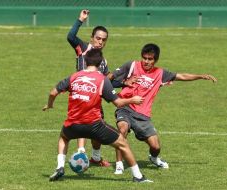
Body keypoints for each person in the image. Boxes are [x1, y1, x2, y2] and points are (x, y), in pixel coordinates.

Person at [43, 49, 152, 183]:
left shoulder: (74, 77)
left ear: (85, 61)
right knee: (123, 144)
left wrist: (49, 105)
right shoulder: (102, 80)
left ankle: (60, 167)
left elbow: (53, 92)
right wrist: (132, 100)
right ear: (101, 64)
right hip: (94, 125)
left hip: (72, 125)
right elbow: (118, 103)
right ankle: (138, 177)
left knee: (64, 137)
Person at [109, 43, 217, 174]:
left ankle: (154, 158)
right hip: (125, 107)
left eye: (150, 59)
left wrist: (200, 76)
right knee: (122, 128)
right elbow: (108, 79)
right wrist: (123, 83)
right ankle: (119, 164)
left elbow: (181, 76)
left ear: (155, 60)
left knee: (155, 146)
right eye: (144, 58)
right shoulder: (131, 65)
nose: (146, 61)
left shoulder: (160, 73)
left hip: (143, 115)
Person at [67, 9, 110, 166]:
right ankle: (81, 154)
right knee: (82, 124)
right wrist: (80, 20)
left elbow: (107, 80)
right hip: (80, 95)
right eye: (98, 38)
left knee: (97, 129)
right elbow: (70, 36)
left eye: (103, 40)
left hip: (95, 99)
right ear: (92, 38)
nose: (100, 42)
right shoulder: (83, 47)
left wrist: (125, 81)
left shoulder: (103, 61)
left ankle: (96, 158)